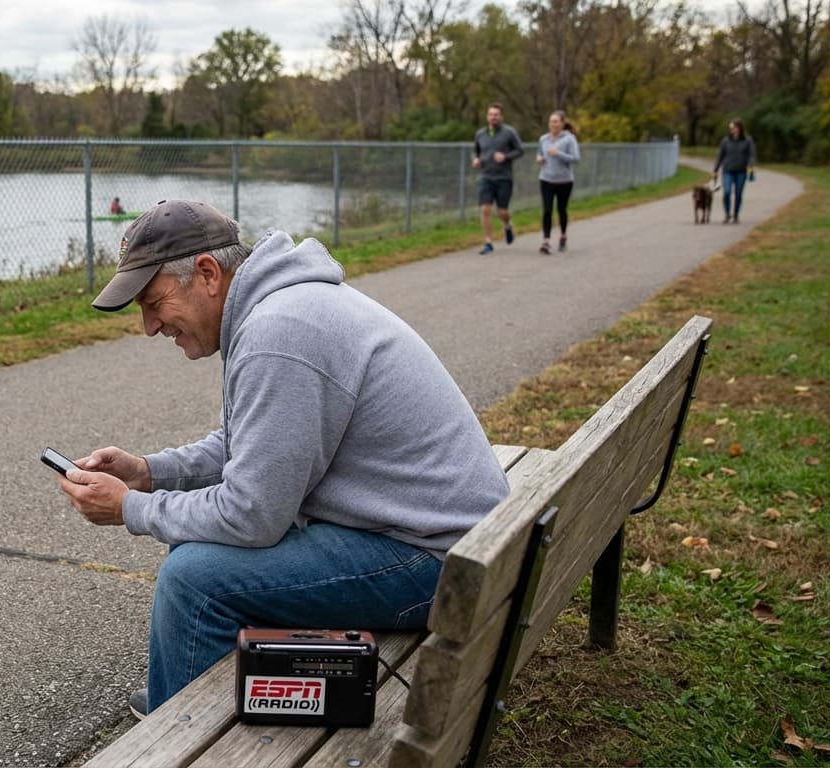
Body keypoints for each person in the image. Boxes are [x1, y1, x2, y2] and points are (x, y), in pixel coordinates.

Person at [52, 199, 510, 718]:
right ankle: (189, 692)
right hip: (451, 538)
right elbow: (245, 444)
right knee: (195, 548)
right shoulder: (280, 309)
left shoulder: (280, 332)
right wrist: (148, 472)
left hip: (441, 563)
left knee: (194, 580)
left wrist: (129, 508)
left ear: (206, 273)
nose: (149, 326)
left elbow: (251, 516)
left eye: (153, 302)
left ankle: (186, 734)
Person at [472, 103, 525, 255]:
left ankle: (508, 225)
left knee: (502, 211)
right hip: (486, 176)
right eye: (490, 114)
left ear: (501, 116)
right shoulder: (480, 134)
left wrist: (505, 157)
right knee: (485, 209)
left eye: (496, 114)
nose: (493, 117)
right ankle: (488, 242)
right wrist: (475, 159)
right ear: (487, 116)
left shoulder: (509, 132)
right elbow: (476, 152)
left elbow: (520, 150)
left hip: (503, 177)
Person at [535, 111, 581, 255]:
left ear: (562, 123)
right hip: (546, 179)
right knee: (547, 210)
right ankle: (546, 241)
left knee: (561, 210)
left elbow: (576, 158)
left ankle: (563, 236)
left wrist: (558, 154)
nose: (553, 124)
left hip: (564, 181)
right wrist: (539, 159)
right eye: (551, 122)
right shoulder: (543, 139)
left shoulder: (569, 139)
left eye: (555, 121)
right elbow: (540, 153)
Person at [713, 118, 756, 224]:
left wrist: (750, 167)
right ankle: (727, 214)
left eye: (733, 128)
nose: (731, 130)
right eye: (730, 128)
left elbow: (751, 155)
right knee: (727, 192)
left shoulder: (747, 140)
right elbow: (720, 156)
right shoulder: (726, 141)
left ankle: (736, 214)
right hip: (727, 170)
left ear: (739, 128)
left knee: (738, 194)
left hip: (741, 171)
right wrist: (716, 169)